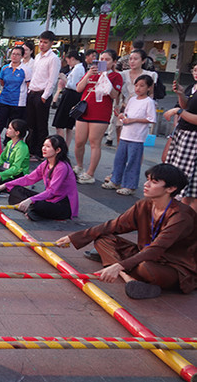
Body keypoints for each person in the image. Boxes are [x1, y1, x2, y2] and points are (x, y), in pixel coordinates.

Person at [56, 164, 197, 299]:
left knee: (146, 269)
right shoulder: (144, 204)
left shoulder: (181, 216)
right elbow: (114, 225)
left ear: (171, 188)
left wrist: (119, 265)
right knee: (103, 239)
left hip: (175, 266)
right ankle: (127, 277)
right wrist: (74, 237)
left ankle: (118, 267)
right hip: (145, 255)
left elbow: (157, 248)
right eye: (147, 180)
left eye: (153, 182)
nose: (146, 184)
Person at [0, 135, 79, 221]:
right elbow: (29, 179)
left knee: (38, 206)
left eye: (48, 147)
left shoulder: (62, 167)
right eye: (44, 145)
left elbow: (51, 191)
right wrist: (5, 185)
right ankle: (30, 210)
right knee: (16, 190)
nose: (44, 148)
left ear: (58, 150)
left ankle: (31, 209)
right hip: (49, 199)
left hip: (61, 204)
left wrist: (30, 200)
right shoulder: (46, 163)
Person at [101, 75, 156, 196]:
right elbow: (126, 114)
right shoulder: (132, 99)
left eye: (142, 86)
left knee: (133, 161)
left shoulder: (149, 102)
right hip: (125, 135)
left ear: (149, 87)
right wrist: (122, 116)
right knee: (119, 159)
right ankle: (115, 180)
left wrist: (133, 120)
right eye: (136, 85)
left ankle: (129, 185)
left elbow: (151, 119)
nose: (138, 88)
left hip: (137, 137)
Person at [74, 50, 123, 184]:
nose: (103, 61)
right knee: (79, 141)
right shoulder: (92, 73)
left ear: (114, 62)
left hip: (100, 113)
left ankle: (90, 173)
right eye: (101, 58)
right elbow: (79, 89)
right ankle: (79, 166)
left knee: (95, 143)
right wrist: (89, 74)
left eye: (107, 59)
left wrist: (105, 77)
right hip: (84, 110)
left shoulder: (116, 76)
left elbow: (114, 95)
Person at [165, 64, 197, 213]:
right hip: (183, 134)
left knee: (191, 186)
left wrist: (178, 111)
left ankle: (188, 222)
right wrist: (181, 94)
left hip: (193, 138)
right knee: (180, 177)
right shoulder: (192, 87)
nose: (196, 73)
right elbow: (188, 107)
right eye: (195, 70)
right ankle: (180, 217)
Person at [25, 31, 61, 159]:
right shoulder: (38, 57)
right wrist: (30, 91)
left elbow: (52, 79)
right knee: (31, 124)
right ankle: (30, 149)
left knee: (41, 125)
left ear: (51, 43)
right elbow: (34, 75)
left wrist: (45, 96)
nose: (42, 44)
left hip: (42, 94)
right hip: (32, 92)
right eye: (41, 41)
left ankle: (40, 152)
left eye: (45, 42)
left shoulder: (53, 59)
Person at [111, 50, 158, 145]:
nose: (132, 61)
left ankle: (135, 160)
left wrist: (150, 106)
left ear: (143, 61)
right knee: (121, 140)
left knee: (137, 143)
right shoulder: (123, 74)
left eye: (135, 59)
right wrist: (116, 105)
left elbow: (151, 93)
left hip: (140, 110)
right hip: (124, 108)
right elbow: (118, 92)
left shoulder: (150, 75)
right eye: (130, 59)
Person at [51, 50, 86, 148]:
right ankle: (65, 145)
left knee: (61, 123)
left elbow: (73, 85)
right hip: (72, 95)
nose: (68, 63)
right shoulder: (78, 68)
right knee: (68, 125)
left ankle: (61, 146)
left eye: (68, 61)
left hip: (70, 95)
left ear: (72, 59)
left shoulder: (78, 69)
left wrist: (63, 78)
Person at [0, 45, 31, 132]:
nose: (14, 56)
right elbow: (2, 81)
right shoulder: (5, 68)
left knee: (14, 126)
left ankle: (9, 143)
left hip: (18, 102)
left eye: (18, 54)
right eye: (13, 54)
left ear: (22, 56)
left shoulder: (26, 69)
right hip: (4, 99)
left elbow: (28, 85)